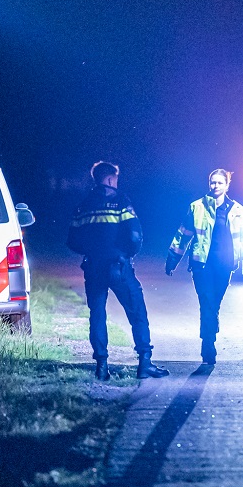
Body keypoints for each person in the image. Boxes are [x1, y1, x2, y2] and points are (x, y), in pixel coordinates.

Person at [67, 161, 169, 380]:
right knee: (137, 312)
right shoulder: (122, 201)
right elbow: (134, 236)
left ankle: (102, 367)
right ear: (112, 179)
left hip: (93, 267)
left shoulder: (84, 204)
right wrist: (127, 254)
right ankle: (144, 363)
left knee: (97, 314)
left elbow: (72, 241)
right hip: (119, 266)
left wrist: (93, 250)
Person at [165, 169, 243, 366]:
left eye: (220, 183)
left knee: (214, 304)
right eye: (213, 182)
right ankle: (208, 343)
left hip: (225, 265)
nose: (215, 186)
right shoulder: (196, 207)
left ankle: (210, 332)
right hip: (201, 265)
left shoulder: (237, 210)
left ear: (227, 185)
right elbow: (183, 235)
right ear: (209, 183)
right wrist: (172, 259)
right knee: (206, 301)